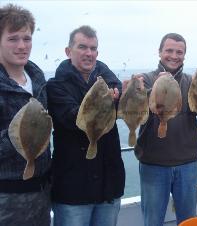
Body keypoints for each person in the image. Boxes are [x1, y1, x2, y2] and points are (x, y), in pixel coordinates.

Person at [46, 25, 125, 226]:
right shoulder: (55, 86)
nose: (88, 53)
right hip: (72, 189)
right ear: (68, 51)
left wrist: (120, 95)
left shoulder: (110, 81)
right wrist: (107, 100)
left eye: (93, 48)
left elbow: (123, 95)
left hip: (109, 186)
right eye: (82, 47)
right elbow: (73, 120)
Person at [134, 33, 197, 226]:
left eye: (179, 52)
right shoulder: (145, 79)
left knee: (188, 220)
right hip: (153, 164)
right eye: (169, 50)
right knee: (153, 221)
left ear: (184, 55)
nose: (174, 55)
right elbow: (135, 111)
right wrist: (146, 88)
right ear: (160, 52)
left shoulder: (191, 82)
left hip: (187, 164)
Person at [0, 4, 51, 226]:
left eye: (27, 38)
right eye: (13, 39)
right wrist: (21, 133)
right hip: (7, 199)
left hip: (43, 191)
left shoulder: (38, 80)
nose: (22, 46)